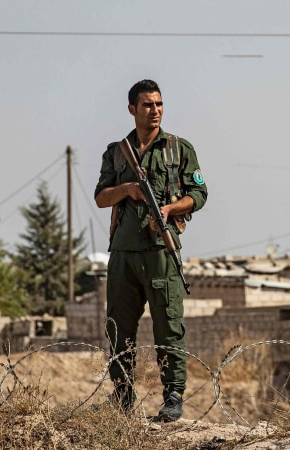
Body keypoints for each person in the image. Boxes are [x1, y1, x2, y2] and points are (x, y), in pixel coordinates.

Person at [94, 79, 208, 422]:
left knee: (168, 326)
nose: (155, 110)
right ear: (132, 109)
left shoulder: (179, 149)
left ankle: (172, 395)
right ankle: (123, 394)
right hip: (124, 254)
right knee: (119, 327)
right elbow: (101, 197)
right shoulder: (117, 152)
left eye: (159, 104)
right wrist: (128, 188)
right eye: (147, 105)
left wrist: (172, 210)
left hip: (161, 250)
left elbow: (199, 194)